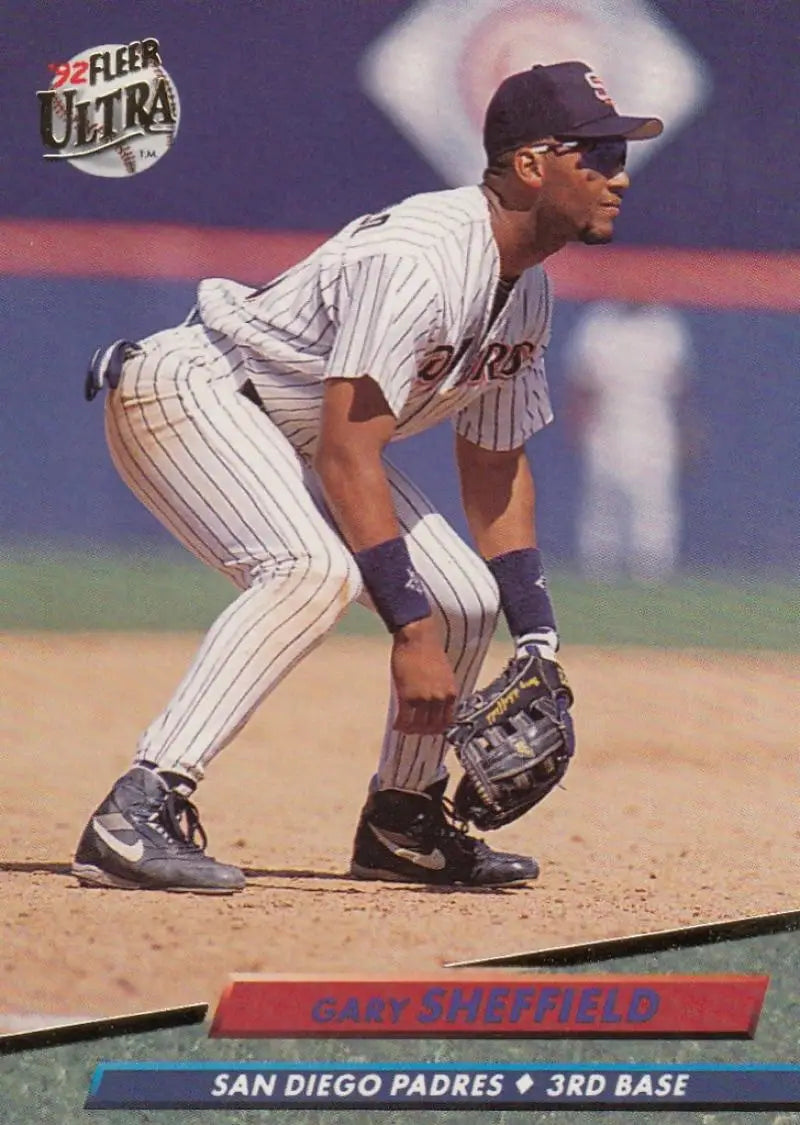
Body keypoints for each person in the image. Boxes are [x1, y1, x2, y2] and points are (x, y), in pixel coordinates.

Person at [73, 60, 662, 893]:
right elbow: (351, 454)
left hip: (296, 429)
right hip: (193, 390)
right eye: (599, 155)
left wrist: (539, 637)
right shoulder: (422, 258)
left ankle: (402, 821)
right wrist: (408, 634)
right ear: (533, 164)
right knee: (310, 572)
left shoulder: (526, 291)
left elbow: (493, 465)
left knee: (465, 599)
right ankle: (140, 804)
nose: (619, 176)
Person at [563, 301, 695, 583]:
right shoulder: (599, 323)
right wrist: (579, 424)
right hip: (606, 425)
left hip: (655, 425)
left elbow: (680, 385)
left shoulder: (664, 326)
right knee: (602, 500)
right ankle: (598, 572)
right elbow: (582, 382)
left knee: (654, 501)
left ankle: (653, 573)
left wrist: (686, 429)